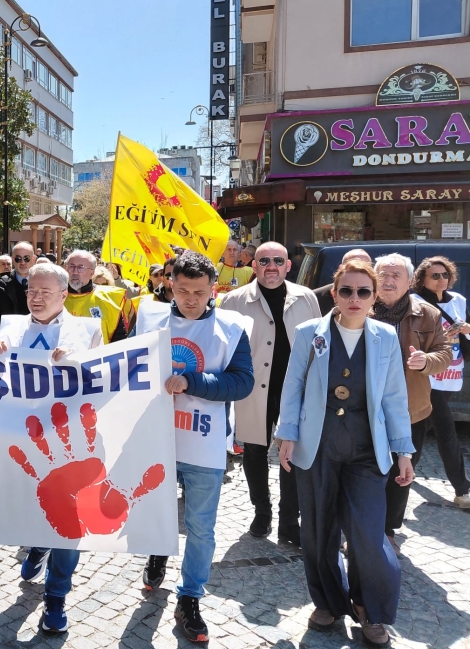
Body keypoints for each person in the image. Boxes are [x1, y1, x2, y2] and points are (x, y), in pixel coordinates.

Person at [276, 259, 415, 645]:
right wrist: (287, 434)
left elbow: (394, 396)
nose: (355, 298)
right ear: (335, 294)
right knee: (318, 530)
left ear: (374, 297)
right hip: (317, 445)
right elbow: (293, 385)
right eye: (347, 290)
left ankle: (371, 609)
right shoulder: (309, 333)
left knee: (368, 533)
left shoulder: (385, 336)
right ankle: (327, 601)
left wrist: (403, 450)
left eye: (363, 291)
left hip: (367, 449)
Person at [134, 251, 254, 643]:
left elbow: (242, 382)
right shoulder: (150, 318)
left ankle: (190, 597)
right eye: (183, 290)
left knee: (201, 527)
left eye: (199, 292)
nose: (190, 299)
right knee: (157, 510)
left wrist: (193, 381)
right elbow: (124, 366)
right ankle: (158, 550)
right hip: (158, 438)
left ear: (213, 289)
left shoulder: (231, 328)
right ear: (171, 284)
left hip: (204, 442)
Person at [0, 262, 102, 634]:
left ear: (63, 294)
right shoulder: (11, 328)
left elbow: (104, 382)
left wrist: (81, 364)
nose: (35, 298)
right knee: (33, 509)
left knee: (70, 523)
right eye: (31, 291)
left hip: (69, 444)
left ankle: (56, 596)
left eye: (44, 292)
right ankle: (38, 545)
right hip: (25, 443)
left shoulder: (87, 330)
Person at [221, 241, 319, 546]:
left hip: (295, 389)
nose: (271, 266)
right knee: (254, 451)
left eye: (278, 260)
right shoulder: (233, 301)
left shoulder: (306, 298)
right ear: (254, 266)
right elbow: (222, 348)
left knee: (293, 452)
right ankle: (261, 511)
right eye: (264, 261)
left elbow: (319, 345)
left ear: (288, 266)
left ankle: (290, 520)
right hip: (253, 390)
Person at [372, 254, 451, 553]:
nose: (389, 280)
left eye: (396, 275)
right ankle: (360, 528)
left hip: (409, 409)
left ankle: (387, 531)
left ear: (409, 282)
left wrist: (426, 360)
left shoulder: (428, 314)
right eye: (383, 274)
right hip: (364, 407)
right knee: (363, 470)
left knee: (400, 472)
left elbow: (444, 351)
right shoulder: (359, 306)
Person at [412, 256, 470, 508]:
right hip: (428, 374)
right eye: (435, 275)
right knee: (446, 428)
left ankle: (404, 470)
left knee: (422, 425)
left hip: (452, 370)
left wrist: (466, 329)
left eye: (445, 274)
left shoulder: (457, 300)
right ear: (422, 279)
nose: (441, 279)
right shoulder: (416, 302)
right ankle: (463, 490)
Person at [63, 250, 128, 344]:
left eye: (81, 267)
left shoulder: (109, 298)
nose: (75, 272)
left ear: (92, 273)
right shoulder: (54, 296)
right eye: (71, 266)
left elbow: (119, 340)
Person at [0, 242, 34, 342]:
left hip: (36, 340)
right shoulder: (1, 285)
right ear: (13, 260)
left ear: (33, 259)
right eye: (18, 258)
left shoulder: (43, 284)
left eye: (26, 258)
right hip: (7, 342)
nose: (22, 262)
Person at [315, 249, 371, 316]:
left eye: (365, 269)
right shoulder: (316, 298)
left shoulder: (379, 298)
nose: (355, 299)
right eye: (353, 267)